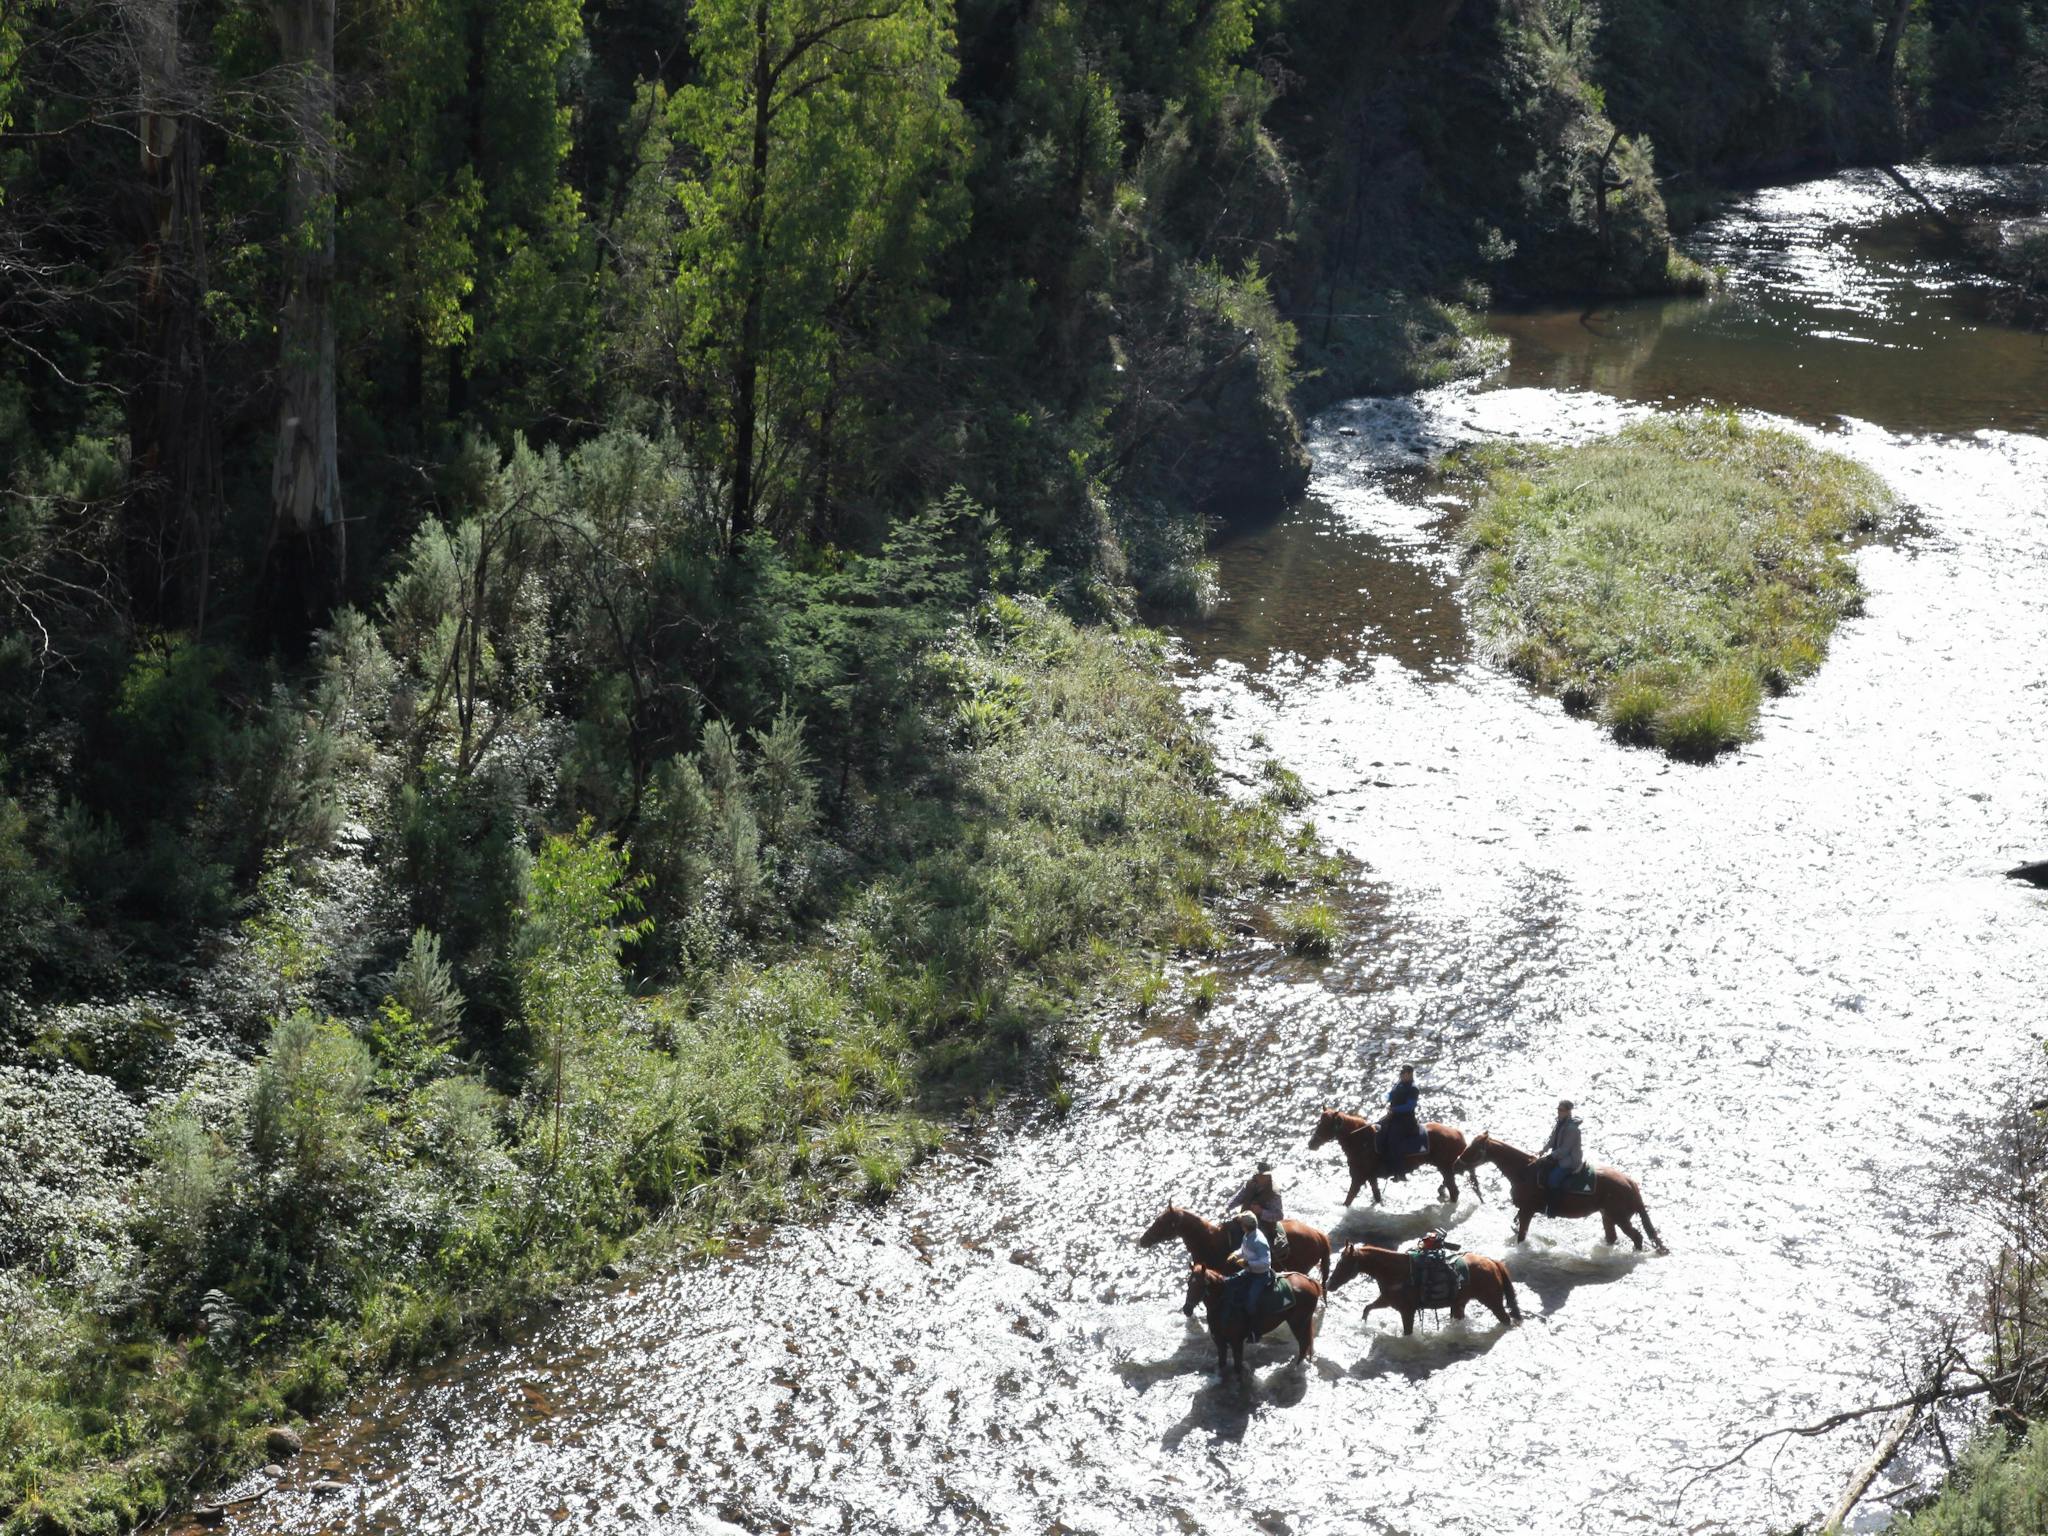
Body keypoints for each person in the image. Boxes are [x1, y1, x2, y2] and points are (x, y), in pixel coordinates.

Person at [1533, 1099, 1584, 1216]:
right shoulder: (1560, 1123)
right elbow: (1552, 1140)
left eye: (1561, 1110)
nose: (1558, 1112)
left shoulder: (1572, 1129)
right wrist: (1543, 1151)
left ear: (1568, 1112)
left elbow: (1565, 1149)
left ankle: (1553, 1209)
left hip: (1569, 1161)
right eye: (1558, 1109)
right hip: (1558, 1157)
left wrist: (1551, 1156)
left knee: (1552, 1180)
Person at [1224, 1210, 1274, 1323]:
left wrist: (1247, 1263)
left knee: (1250, 1302)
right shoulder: (1247, 1235)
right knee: (1227, 1283)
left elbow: (1266, 1262)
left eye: (1241, 1224)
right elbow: (1243, 1249)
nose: (1240, 1225)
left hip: (1260, 1276)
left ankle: (1255, 1328)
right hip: (1249, 1272)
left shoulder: (1259, 1241)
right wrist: (1235, 1254)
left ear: (1245, 1226)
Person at [1227, 1160, 1286, 1254]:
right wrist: (1227, 1207)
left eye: (1263, 1175)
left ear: (1268, 1176)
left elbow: (1279, 1215)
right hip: (1246, 1218)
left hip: (1263, 1223)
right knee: (1230, 1229)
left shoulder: (1274, 1193)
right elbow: (1238, 1197)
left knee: (1256, 1242)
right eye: (1259, 1175)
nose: (1260, 1177)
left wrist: (1261, 1212)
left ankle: (1257, 1264)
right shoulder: (1250, 1184)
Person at [1375, 1065, 1422, 1178]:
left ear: (1410, 1074)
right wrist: (1385, 1098)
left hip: (1406, 1120)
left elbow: (1410, 1106)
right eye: (1401, 1073)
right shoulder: (1399, 1084)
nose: (1401, 1075)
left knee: (1393, 1139)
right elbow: (1391, 1094)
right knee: (1377, 1129)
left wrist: (1395, 1109)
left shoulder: (1413, 1088)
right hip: (1393, 1116)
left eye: (1404, 1073)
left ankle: (1399, 1171)